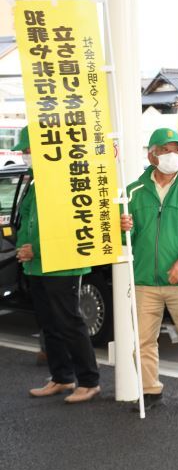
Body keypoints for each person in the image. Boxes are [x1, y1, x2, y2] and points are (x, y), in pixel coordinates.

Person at [120, 128, 178, 413]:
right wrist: (122, 227)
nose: (172, 155)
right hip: (144, 279)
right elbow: (121, 239)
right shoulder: (132, 192)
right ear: (152, 155)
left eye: (176, 149)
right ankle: (150, 390)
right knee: (144, 341)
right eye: (165, 150)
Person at [15, 126, 101, 403]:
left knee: (69, 322)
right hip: (37, 266)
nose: (25, 156)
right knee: (49, 323)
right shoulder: (37, 180)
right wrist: (24, 248)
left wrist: (34, 249)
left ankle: (89, 381)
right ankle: (62, 377)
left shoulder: (63, 179)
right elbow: (28, 220)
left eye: (28, 150)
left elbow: (69, 226)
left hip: (62, 264)